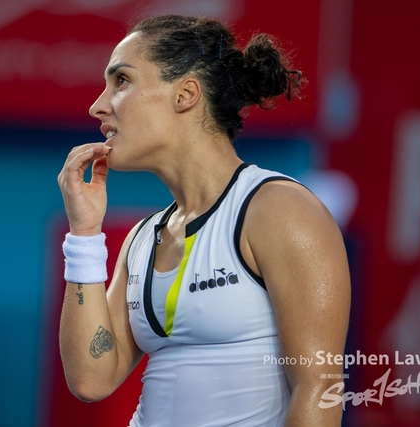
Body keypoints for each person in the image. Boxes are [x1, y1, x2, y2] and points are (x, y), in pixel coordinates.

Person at [57, 15, 350, 427]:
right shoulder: (142, 239)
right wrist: (85, 236)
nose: (98, 106)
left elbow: (319, 390)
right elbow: (90, 379)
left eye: (121, 81)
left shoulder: (280, 209)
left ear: (186, 94)